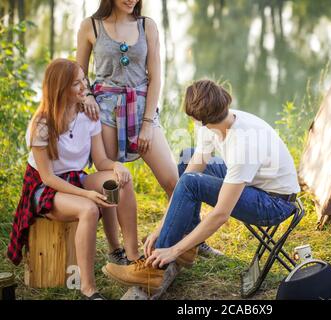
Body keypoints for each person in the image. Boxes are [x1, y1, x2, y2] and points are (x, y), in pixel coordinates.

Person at [102, 79, 300, 290]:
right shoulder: (217, 120)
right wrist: (161, 227)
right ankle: (190, 239)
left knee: (191, 184)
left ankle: (153, 270)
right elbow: (191, 171)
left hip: (273, 204)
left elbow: (220, 214)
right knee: (188, 159)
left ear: (199, 119)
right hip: (255, 185)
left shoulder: (243, 144)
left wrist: (173, 250)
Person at [76, 0, 219, 263]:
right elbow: (79, 75)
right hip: (106, 111)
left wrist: (146, 124)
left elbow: (155, 77)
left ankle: (195, 239)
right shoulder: (90, 26)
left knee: (174, 181)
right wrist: (85, 96)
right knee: (111, 183)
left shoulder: (147, 26)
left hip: (143, 110)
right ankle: (116, 249)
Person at [7, 59, 140, 300]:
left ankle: (129, 257)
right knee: (89, 208)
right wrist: (86, 194)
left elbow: (100, 161)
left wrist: (117, 165)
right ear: (60, 88)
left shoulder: (88, 114)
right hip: (43, 188)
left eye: (84, 81)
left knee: (118, 181)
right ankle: (88, 288)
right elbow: (47, 178)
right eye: (76, 83)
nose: (84, 88)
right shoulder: (42, 124)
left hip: (75, 178)